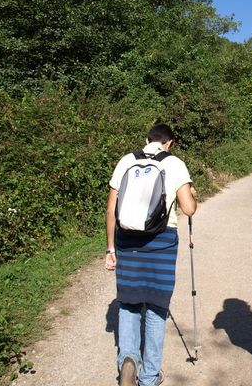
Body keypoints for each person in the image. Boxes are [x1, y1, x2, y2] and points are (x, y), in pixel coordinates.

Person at [105, 124, 198, 386]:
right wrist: (192, 195)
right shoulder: (175, 164)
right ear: (170, 143)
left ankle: (128, 360)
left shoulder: (126, 161)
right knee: (157, 307)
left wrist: (111, 249)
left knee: (129, 302)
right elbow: (188, 209)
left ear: (147, 140)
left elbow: (111, 209)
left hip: (127, 242)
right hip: (161, 242)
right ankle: (149, 376)